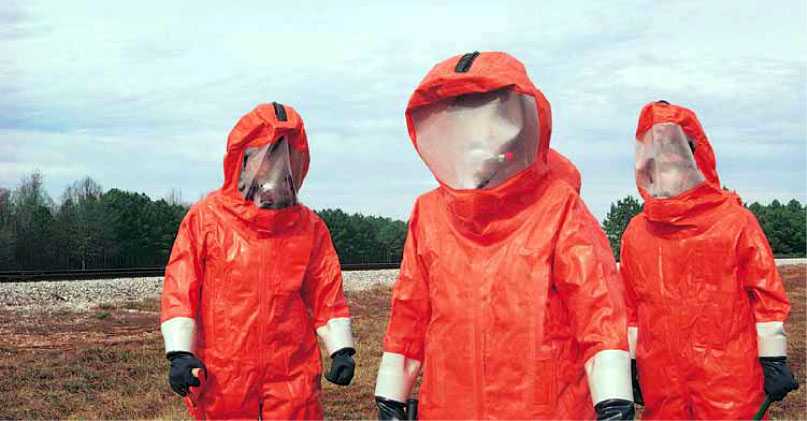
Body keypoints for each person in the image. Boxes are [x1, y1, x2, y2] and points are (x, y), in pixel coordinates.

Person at [373, 51, 634, 420]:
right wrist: (391, 394)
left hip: (545, 408)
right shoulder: (430, 214)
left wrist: (612, 401)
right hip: (450, 407)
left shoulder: (559, 208)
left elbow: (598, 311)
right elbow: (409, 313)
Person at [160, 102, 356, 419]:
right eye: (268, 156)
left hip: (292, 376)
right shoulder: (206, 219)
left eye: (285, 158)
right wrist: (180, 352)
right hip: (224, 377)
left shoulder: (309, 227)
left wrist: (341, 348)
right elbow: (180, 287)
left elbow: (326, 293)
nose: (276, 168)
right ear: (244, 158)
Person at [621, 100, 799, 419]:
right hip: (664, 385)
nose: (667, 170)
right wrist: (631, 361)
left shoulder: (735, 222)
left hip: (730, 384)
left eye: (676, 158)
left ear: (696, 157)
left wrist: (773, 358)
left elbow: (766, 295)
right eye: (658, 161)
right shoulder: (637, 234)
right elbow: (631, 306)